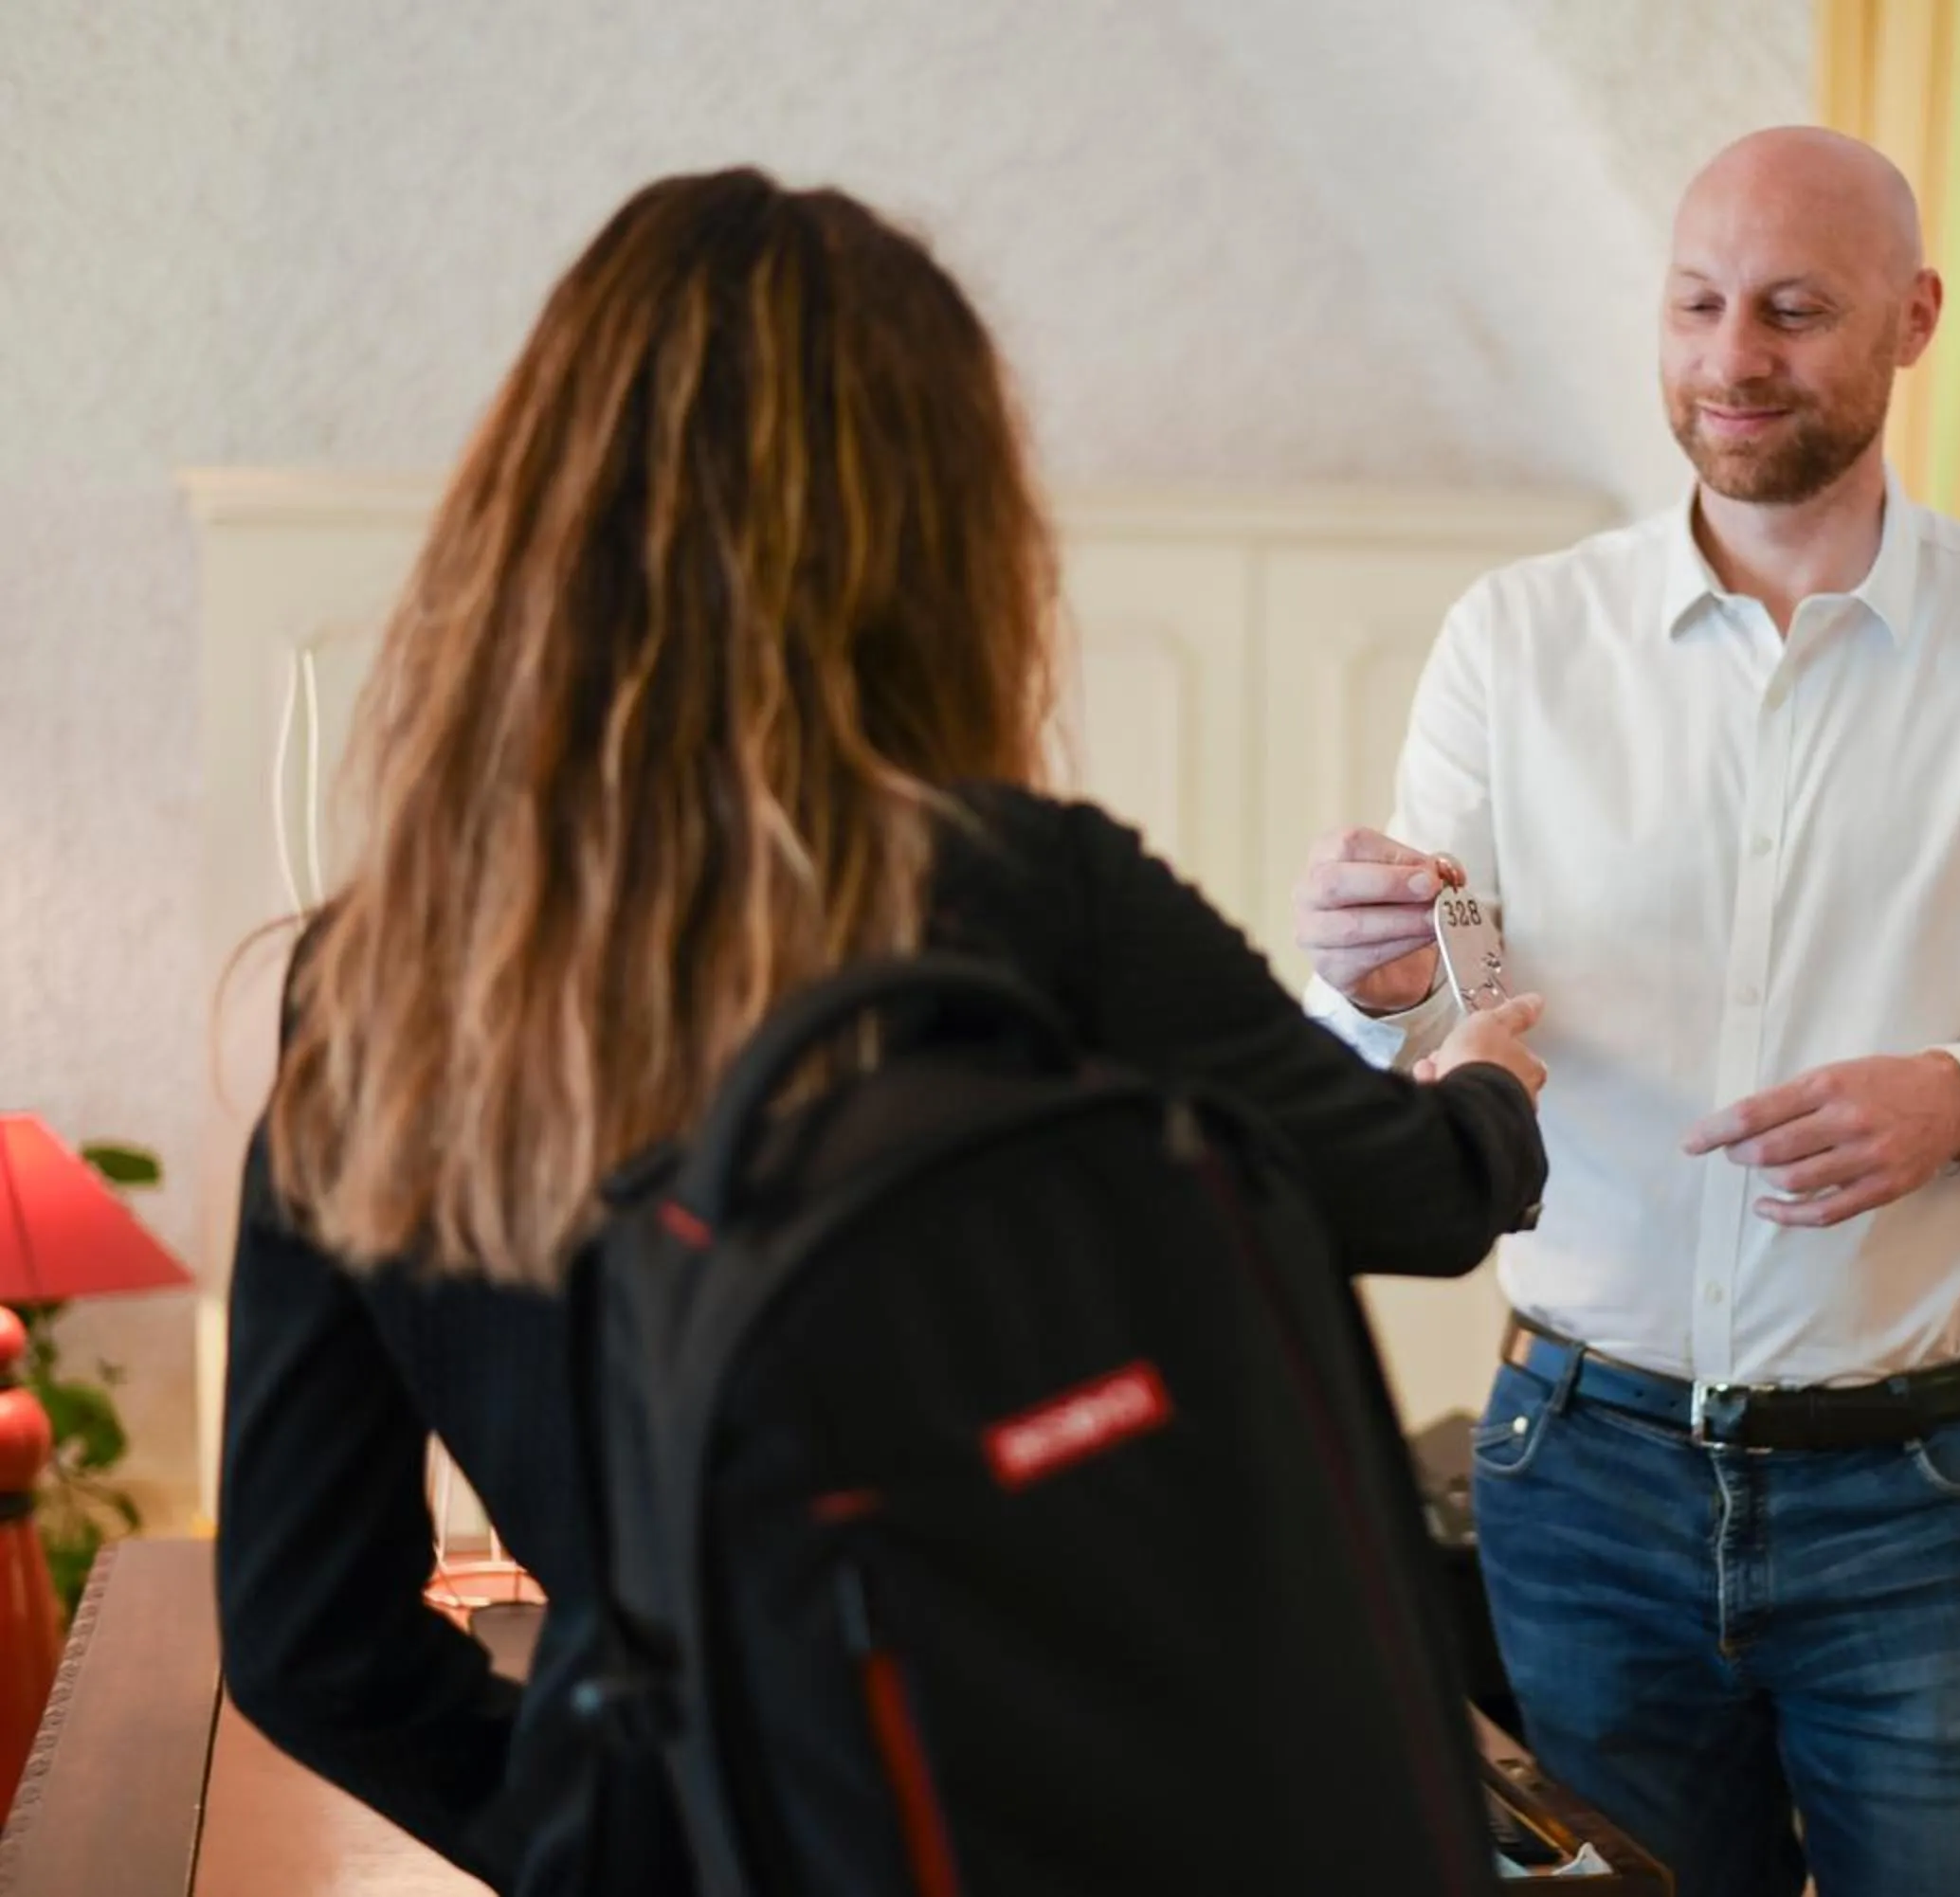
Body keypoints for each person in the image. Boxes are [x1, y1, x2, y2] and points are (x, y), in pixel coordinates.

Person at [214, 167, 1550, 1897]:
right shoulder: (1017, 893)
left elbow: (303, 1640)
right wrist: (1495, 1092)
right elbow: (1421, 1199)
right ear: (943, 538)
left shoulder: (376, 983)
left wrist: (602, 1840)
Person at [1294, 126, 1960, 1897]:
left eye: (1796, 311)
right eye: (1699, 305)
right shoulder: (1515, 640)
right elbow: (1442, 1004)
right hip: (1581, 1485)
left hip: (1935, 1502)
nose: (1734, 358)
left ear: (1913, 319)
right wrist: (1370, 981)